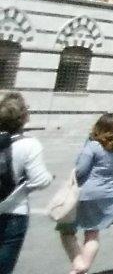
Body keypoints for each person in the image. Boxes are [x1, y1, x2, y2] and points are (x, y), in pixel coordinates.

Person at [59, 113, 113, 274]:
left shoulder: (93, 146)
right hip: (109, 192)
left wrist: (72, 176)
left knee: (66, 230)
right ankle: (81, 269)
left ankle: (79, 264)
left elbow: (81, 170)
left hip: (86, 193)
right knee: (92, 233)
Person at [0, 92, 52, 274]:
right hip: (14, 212)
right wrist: (24, 185)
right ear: (24, 118)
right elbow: (40, 180)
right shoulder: (30, 144)